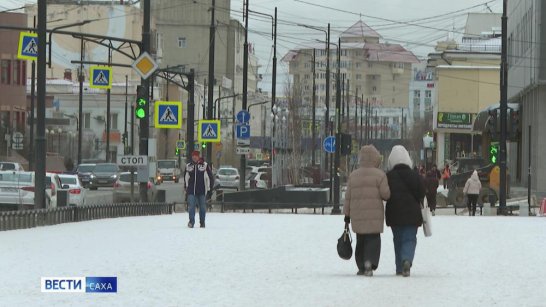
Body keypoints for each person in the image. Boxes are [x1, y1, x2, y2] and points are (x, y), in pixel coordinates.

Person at [344, 145, 391, 277]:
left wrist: (347, 215)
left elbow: (348, 197)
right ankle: (369, 262)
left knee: (361, 240)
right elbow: (386, 195)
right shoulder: (380, 175)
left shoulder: (353, 175)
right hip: (375, 216)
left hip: (357, 215)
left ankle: (361, 266)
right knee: (373, 240)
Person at [385, 145, 425, 277]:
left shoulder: (388, 177)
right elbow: (421, 193)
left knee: (397, 239)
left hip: (394, 213)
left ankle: (399, 267)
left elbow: (385, 194)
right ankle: (406, 260)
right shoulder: (415, 176)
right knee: (409, 239)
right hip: (412, 214)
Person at [184, 151, 214, 228]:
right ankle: (191, 222)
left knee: (203, 208)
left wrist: (210, 189)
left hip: (202, 190)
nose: (194, 157)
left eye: (196, 156)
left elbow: (210, 177)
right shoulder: (188, 166)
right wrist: (186, 189)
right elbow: (186, 178)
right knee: (191, 207)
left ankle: (202, 222)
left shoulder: (205, 165)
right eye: (193, 156)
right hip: (191, 190)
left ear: (198, 156)